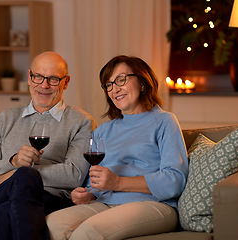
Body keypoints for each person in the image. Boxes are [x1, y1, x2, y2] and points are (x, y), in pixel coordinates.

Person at [46, 55, 189, 240]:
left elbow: (175, 180)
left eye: (121, 80)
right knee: (52, 225)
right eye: (109, 84)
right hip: (106, 203)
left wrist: (118, 183)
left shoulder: (164, 121)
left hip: (153, 204)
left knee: (88, 232)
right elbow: (96, 183)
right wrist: (87, 194)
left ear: (142, 80)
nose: (115, 89)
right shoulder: (103, 130)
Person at [0, 51, 97, 240]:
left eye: (53, 79)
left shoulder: (80, 121)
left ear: (66, 81)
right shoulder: (7, 117)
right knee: (21, 179)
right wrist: (14, 162)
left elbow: (74, 174)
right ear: (30, 77)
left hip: (50, 199)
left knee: (5, 212)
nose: (44, 85)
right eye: (38, 77)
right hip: (1, 195)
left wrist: (15, 174)